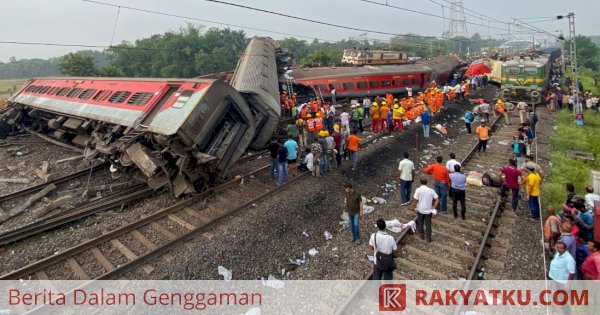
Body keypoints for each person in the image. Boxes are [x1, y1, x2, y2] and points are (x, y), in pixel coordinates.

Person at [413, 178, 439, 242]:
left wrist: (414, 207)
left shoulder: (418, 190)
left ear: (420, 182)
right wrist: (433, 207)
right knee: (428, 224)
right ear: (426, 182)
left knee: (420, 223)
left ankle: (421, 236)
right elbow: (437, 199)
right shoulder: (431, 190)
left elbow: (415, 200)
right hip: (428, 211)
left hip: (420, 210)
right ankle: (429, 238)